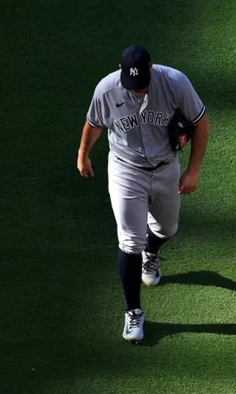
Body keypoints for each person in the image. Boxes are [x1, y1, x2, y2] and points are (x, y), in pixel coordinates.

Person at [76, 45, 209, 343]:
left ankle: (153, 252)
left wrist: (193, 171)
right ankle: (133, 311)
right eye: (131, 86)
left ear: (151, 68)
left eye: (142, 85)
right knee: (129, 242)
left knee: (167, 228)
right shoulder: (107, 88)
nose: (137, 92)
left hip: (166, 167)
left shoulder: (175, 82)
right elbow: (94, 123)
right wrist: (83, 154)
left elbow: (201, 123)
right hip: (126, 170)